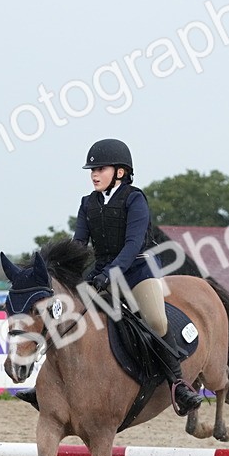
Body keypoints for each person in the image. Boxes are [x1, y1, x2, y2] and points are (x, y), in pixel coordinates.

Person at [72, 139, 202, 416]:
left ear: (120, 172)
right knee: (71, 317)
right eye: (91, 170)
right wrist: (65, 271)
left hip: (138, 271)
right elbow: (79, 245)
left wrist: (109, 273)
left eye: (100, 169)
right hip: (103, 274)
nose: (94, 174)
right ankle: (54, 381)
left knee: (155, 319)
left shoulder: (134, 199)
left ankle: (178, 383)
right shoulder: (87, 203)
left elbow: (132, 245)